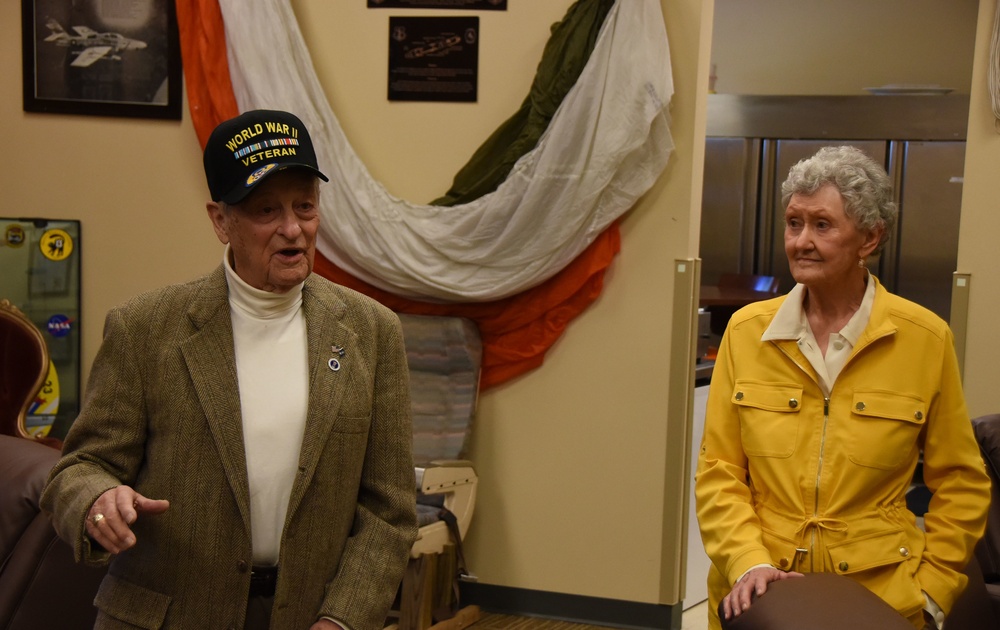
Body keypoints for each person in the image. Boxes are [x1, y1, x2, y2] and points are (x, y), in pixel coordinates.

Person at [41, 109, 418, 630]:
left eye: (305, 206)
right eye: (266, 210)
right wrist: (97, 501)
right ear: (221, 220)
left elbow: (390, 509)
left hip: (309, 615)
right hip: (165, 616)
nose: (293, 229)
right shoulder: (145, 329)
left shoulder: (372, 332)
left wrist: (344, 619)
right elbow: (77, 470)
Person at [694, 145, 990, 630]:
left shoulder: (925, 339)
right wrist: (746, 560)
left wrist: (934, 591)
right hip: (759, 591)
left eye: (822, 225)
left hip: (880, 598)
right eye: (794, 223)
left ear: (870, 238)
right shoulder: (747, 332)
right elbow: (719, 471)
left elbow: (961, 482)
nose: (801, 241)